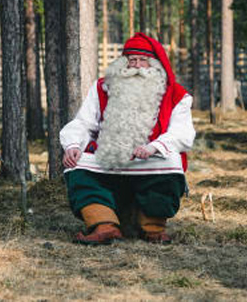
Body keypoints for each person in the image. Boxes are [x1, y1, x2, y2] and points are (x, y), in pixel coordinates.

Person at [60, 33, 195, 245]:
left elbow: (182, 133)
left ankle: (153, 227)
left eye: (143, 60)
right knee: (77, 164)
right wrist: (73, 144)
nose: (137, 66)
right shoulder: (102, 88)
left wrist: (154, 147)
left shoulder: (176, 94)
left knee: (171, 162)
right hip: (109, 160)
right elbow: (84, 123)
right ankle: (104, 225)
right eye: (132, 60)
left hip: (150, 160)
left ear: (155, 65)